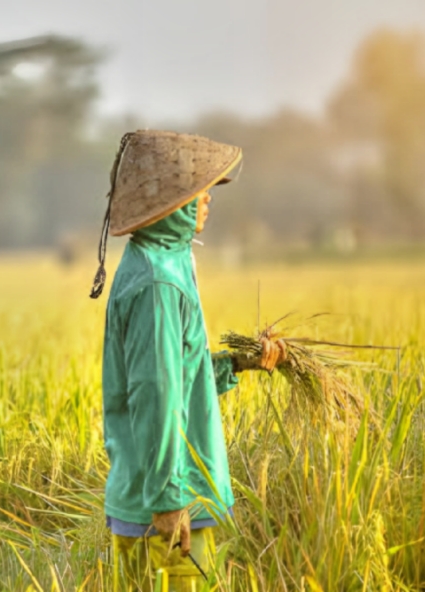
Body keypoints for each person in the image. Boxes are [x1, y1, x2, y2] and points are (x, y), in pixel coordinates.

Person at [89, 131, 284, 590]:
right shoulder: (158, 283)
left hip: (160, 499)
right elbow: (155, 394)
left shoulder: (160, 261)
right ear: (173, 203)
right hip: (169, 509)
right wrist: (168, 498)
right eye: (200, 190)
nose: (208, 199)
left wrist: (239, 362)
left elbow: (178, 378)